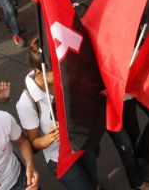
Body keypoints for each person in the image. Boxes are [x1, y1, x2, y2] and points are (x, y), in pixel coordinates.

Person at [16, 49, 101, 190]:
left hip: (80, 142)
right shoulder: (26, 103)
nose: (63, 72)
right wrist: (51, 137)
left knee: (94, 181)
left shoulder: (64, 80)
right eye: (57, 70)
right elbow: (34, 143)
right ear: (39, 73)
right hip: (59, 157)